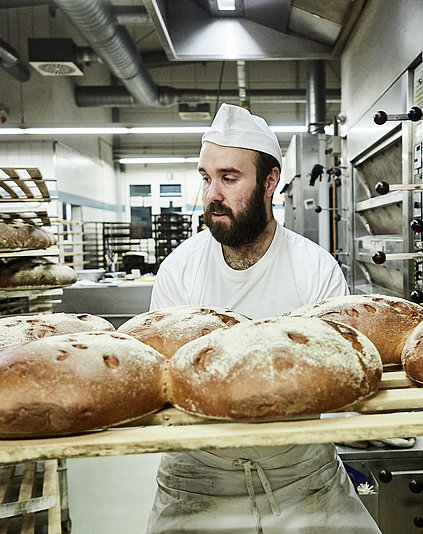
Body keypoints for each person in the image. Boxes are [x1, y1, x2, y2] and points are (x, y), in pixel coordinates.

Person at [145, 103, 381, 534]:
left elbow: (334, 378)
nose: (212, 194)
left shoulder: (314, 268)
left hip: (302, 475)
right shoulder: (180, 269)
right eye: (206, 178)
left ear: (270, 181)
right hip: (199, 479)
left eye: (229, 178)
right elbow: (165, 381)